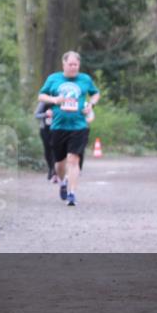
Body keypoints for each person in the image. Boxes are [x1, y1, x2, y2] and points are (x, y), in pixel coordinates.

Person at [37, 52, 100, 206]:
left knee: (74, 159)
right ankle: (63, 182)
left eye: (76, 65)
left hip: (79, 126)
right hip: (58, 126)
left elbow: (95, 94)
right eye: (70, 64)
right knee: (60, 163)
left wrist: (91, 105)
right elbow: (41, 96)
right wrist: (54, 99)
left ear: (79, 65)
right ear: (63, 64)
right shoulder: (53, 79)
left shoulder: (85, 79)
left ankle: (72, 193)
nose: (73, 67)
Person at [34, 102, 56, 181]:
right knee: (47, 149)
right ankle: (50, 168)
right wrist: (45, 114)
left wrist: (55, 114)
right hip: (44, 129)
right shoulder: (43, 103)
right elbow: (36, 115)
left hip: (56, 129)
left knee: (56, 148)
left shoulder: (59, 102)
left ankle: (55, 170)